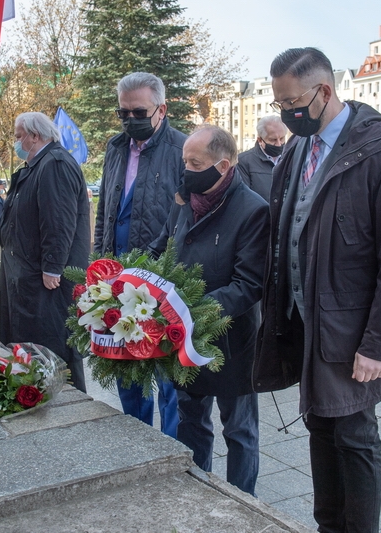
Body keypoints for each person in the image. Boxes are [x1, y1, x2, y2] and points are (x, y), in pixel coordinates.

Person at [251, 47, 381, 533]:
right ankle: (330, 525)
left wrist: (379, 345)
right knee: (320, 425)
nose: (287, 115)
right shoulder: (297, 150)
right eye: (280, 105)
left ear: (324, 91)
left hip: (354, 330)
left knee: (354, 434)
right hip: (308, 322)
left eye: (293, 104)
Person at [149, 125, 269, 495]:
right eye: (184, 160)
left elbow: (248, 285)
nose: (185, 168)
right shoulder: (185, 200)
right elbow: (160, 249)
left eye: (194, 162)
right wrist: (129, 280)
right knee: (191, 420)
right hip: (183, 339)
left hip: (231, 343)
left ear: (222, 166)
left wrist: (189, 311)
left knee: (239, 429)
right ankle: (197, 492)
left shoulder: (253, 210)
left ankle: (243, 502)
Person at [94, 72, 187, 437]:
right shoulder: (116, 148)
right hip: (115, 280)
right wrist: (98, 264)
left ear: (161, 110)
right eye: (123, 113)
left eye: (139, 112)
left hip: (161, 284)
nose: (131, 120)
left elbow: (186, 220)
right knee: (125, 367)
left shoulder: (183, 150)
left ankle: (174, 448)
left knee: (167, 377)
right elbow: (105, 210)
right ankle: (136, 438)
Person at [0, 112, 89, 392]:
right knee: (28, 347)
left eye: (18, 136)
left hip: (44, 281)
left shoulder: (55, 165)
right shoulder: (37, 165)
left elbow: (58, 222)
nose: (16, 142)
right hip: (24, 277)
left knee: (53, 349)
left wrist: (52, 267)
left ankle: (68, 408)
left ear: (35, 136)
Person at [237, 115, 287, 201]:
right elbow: (244, 197)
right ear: (260, 140)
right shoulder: (243, 161)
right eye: (273, 140)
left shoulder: (292, 157)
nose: (279, 144)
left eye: (282, 138)